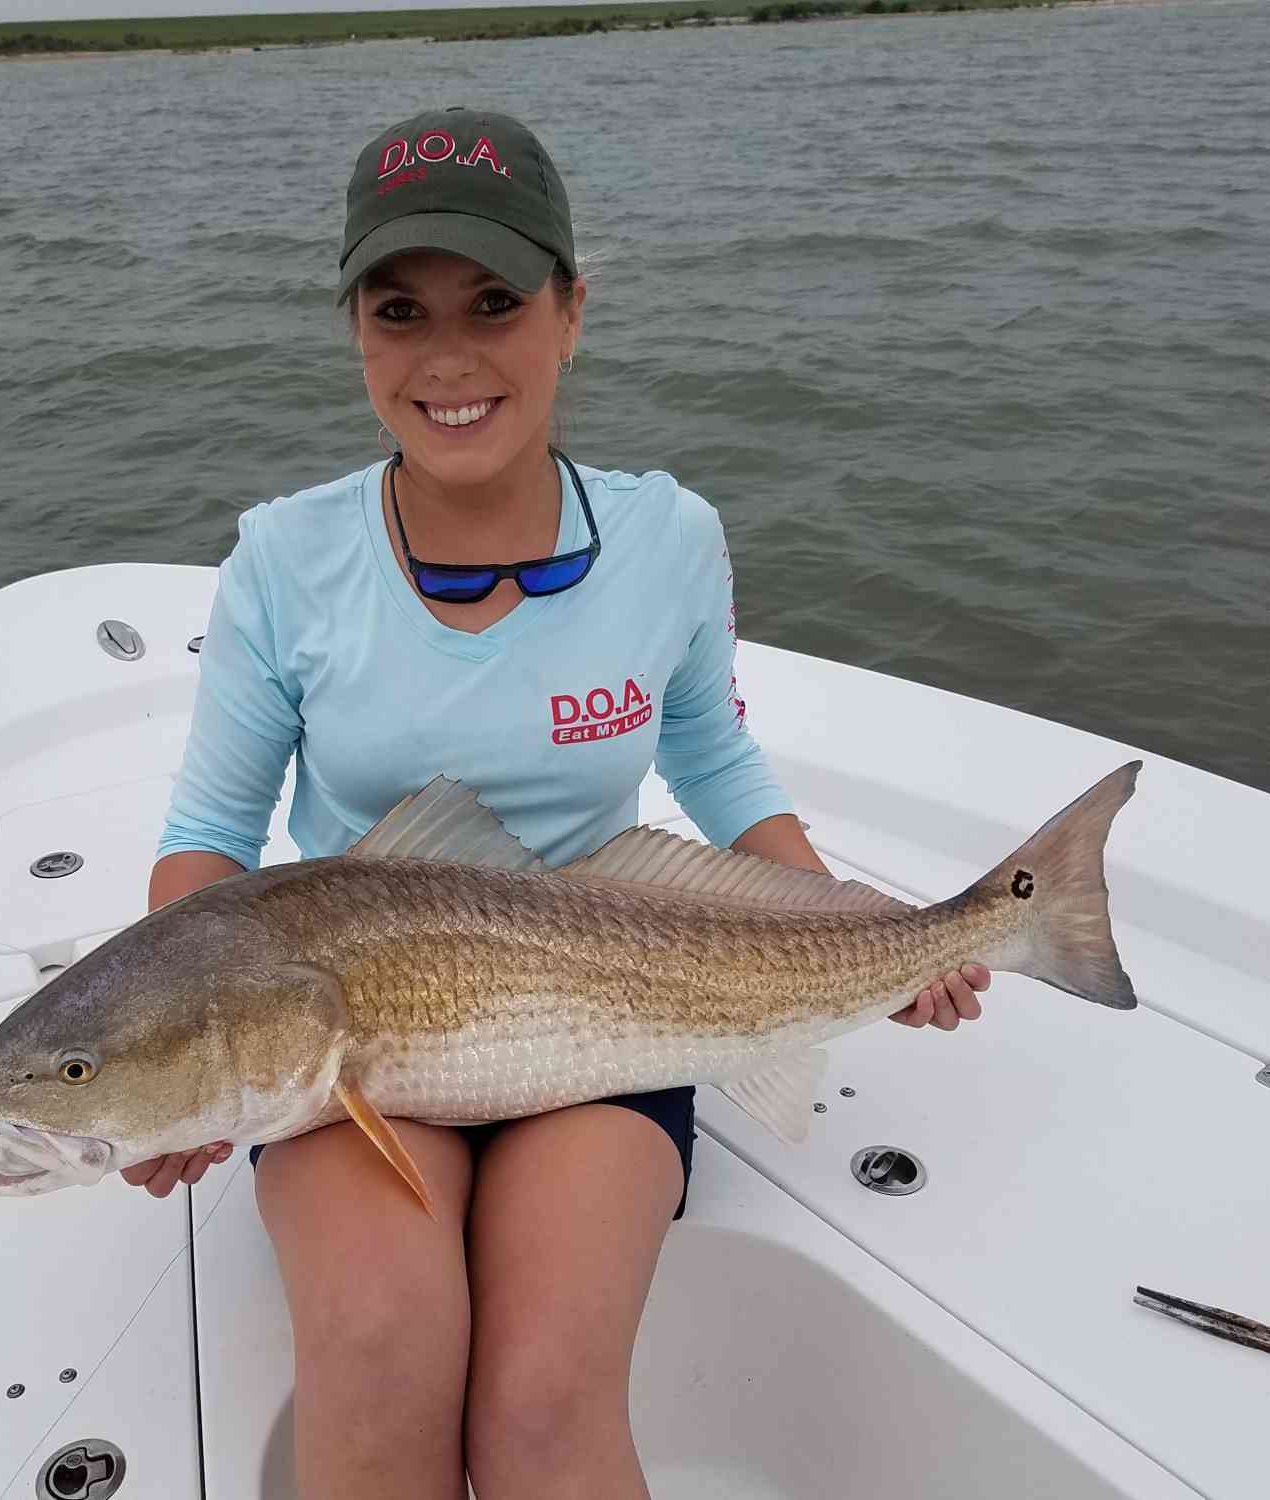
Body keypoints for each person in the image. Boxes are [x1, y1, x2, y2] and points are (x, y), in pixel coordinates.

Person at [135, 106, 990, 1500]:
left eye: (496, 301)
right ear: (355, 328)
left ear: (573, 309)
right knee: (379, 1352)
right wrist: (161, 1047)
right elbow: (209, 841)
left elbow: (714, 763)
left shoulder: (669, 537)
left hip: (620, 1003)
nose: (450, 357)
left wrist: (866, 929)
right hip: (341, 1038)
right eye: (400, 310)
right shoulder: (282, 560)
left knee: (542, 1408)